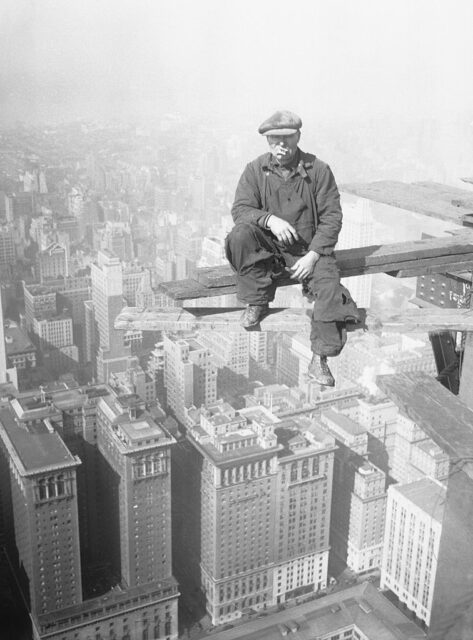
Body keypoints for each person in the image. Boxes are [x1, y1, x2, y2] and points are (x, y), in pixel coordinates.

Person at [225, 110, 360, 387]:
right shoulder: (255, 170)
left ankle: (319, 358)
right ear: (267, 141)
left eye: (287, 138)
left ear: (298, 136)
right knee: (240, 236)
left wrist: (313, 255)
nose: (281, 145)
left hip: (309, 249)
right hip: (270, 249)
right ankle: (257, 301)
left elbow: (332, 217)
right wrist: (269, 220)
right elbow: (241, 209)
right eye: (274, 139)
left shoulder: (318, 171)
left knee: (330, 288)